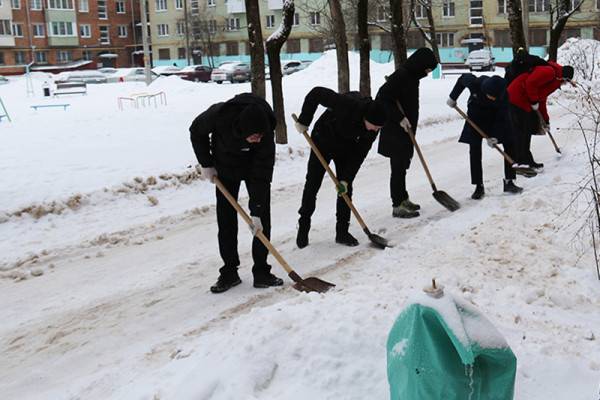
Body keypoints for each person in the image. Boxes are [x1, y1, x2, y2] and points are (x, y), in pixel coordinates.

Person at [189, 93, 283, 293]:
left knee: (262, 218)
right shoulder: (219, 114)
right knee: (226, 219)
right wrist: (206, 163)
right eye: (254, 136)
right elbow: (196, 131)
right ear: (244, 129)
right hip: (225, 166)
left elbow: (262, 172)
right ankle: (229, 272)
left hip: (253, 169)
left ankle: (262, 272)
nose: (258, 140)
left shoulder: (265, 135)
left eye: (261, 136)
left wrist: (256, 211)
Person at [294, 87, 387, 248]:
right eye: (374, 126)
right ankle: (303, 226)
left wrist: (345, 179)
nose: (376, 130)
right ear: (366, 117)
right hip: (323, 139)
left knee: (346, 188)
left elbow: (359, 154)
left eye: (379, 128)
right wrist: (304, 120)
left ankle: (342, 232)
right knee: (312, 184)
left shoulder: (373, 128)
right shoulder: (348, 104)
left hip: (346, 147)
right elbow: (316, 93)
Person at [375, 47, 439, 218]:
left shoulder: (411, 77)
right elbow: (383, 96)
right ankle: (397, 205)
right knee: (397, 168)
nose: (428, 72)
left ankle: (403, 198)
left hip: (405, 129)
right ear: (420, 63)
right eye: (428, 68)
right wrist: (399, 118)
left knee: (402, 166)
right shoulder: (402, 76)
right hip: (396, 130)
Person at [446, 74, 523, 199]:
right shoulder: (474, 83)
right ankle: (478, 186)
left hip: (494, 118)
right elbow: (461, 79)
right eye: (489, 96)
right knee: (475, 149)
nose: (491, 98)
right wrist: (453, 97)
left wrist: (496, 137)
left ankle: (509, 181)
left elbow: (502, 119)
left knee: (509, 142)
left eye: (494, 97)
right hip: (475, 118)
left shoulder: (504, 97)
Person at [507, 59, 574, 172]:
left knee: (527, 131)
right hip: (516, 96)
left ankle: (527, 161)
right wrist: (534, 101)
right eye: (566, 81)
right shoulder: (549, 72)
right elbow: (530, 83)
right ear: (564, 77)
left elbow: (542, 98)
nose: (565, 84)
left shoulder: (555, 80)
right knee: (522, 131)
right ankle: (521, 162)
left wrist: (546, 121)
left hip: (524, 99)